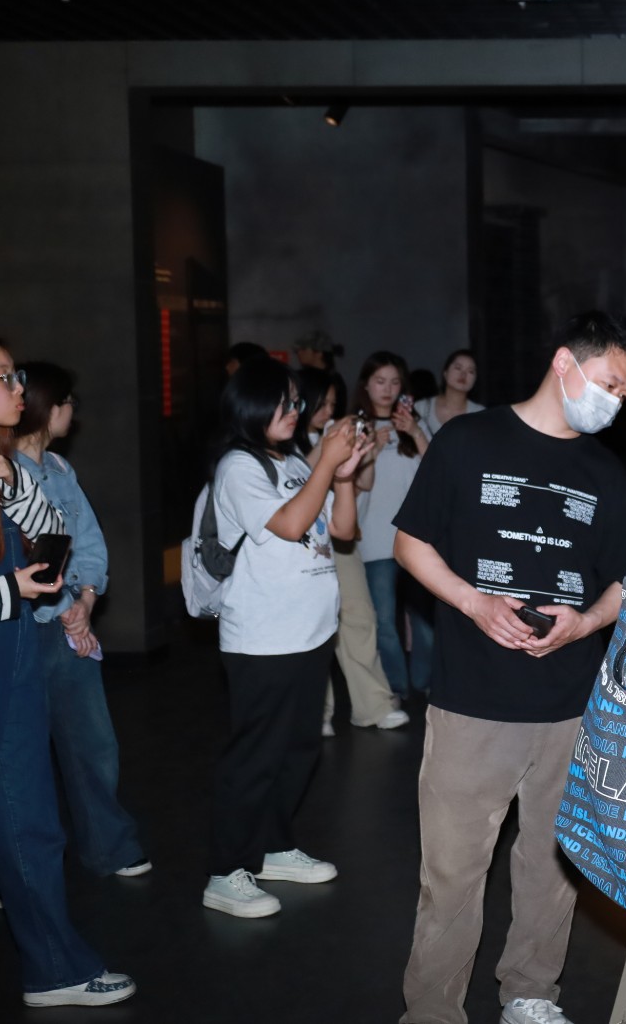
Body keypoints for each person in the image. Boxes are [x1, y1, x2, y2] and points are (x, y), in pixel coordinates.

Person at [395, 311, 626, 1024]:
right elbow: (412, 543)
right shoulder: (468, 441)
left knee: (552, 864)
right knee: (451, 873)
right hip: (473, 699)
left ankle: (531, 993)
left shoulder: (602, 471)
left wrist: (586, 622)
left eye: (624, 395)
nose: (614, 402)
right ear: (565, 363)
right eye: (609, 383)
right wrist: (474, 603)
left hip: (569, 704)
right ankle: (433, 1012)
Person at [0, 329, 135, 1023]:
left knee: (29, 815)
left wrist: (16, 485)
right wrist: (7, 590)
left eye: (17, 376)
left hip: (15, 648)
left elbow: (55, 540)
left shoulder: (5, 463)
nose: (18, 388)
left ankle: (55, 967)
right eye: (2, 376)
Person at [201, 358, 371, 919]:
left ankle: (272, 846)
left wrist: (341, 475)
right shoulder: (238, 466)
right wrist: (326, 463)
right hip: (262, 637)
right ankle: (226, 871)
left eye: (297, 401)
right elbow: (291, 524)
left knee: (298, 750)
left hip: (310, 633)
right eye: (284, 401)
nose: (295, 411)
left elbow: (342, 530)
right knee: (255, 756)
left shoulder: (295, 461)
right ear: (251, 405)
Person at [13, 362, 150, 879]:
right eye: (68, 401)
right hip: (22, 629)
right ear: (49, 407)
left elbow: (89, 543)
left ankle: (109, 847)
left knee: (93, 744)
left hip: (70, 624)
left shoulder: (61, 470)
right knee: (22, 753)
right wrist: (68, 604)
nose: (74, 411)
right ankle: (18, 869)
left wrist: (85, 602)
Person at [292, 366, 408, 736]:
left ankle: (374, 706)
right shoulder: (285, 438)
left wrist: (365, 451)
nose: (328, 411)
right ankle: (318, 712)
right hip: (298, 545)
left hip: (339, 540)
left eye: (332, 403)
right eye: (321, 403)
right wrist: (328, 447)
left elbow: (363, 485)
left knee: (360, 618)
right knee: (311, 627)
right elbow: (295, 481)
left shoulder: (334, 432)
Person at [353, 352, 434, 700]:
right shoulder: (356, 427)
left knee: (426, 619)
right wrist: (370, 448)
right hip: (373, 539)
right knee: (384, 622)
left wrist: (414, 432)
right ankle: (396, 687)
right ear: (366, 385)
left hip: (416, 539)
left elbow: (440, 471)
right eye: (380, 381)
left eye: (394, 382)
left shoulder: (414, 424)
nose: (387, 389)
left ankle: (426, 682)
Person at [412, 349, 484, 440]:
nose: (463, 374)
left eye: (470, 371)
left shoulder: (480, 414)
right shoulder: (422, 408)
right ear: (445, 372)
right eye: (458, 368)